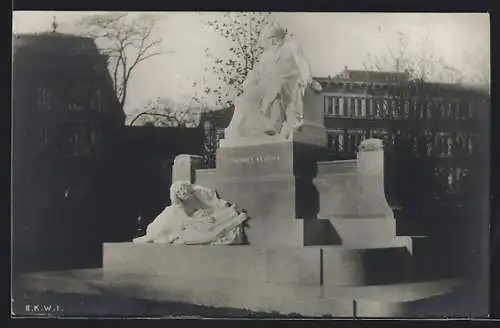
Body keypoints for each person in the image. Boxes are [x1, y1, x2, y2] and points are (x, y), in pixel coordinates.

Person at [225, 22, 321, 140]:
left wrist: (308, 78)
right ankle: (251, 129)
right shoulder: (266, 55)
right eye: (268, 39)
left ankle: (275, 124)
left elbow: (301, 62)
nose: (271, 42)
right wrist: (249, 82)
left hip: (289, 80)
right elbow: (257, 72)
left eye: (272, 38)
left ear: (278, 36)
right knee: (247, 97)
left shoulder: (291, 46)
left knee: (277, 85)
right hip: (268, 83)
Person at [133, 181, 248, 245]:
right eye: (184, 198)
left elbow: (214, 204)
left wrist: (204, 215)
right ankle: (158, 233)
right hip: (179, 217)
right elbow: (181, 212)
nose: (188, 198)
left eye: (188, 196)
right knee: (167, 225)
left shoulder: (201, 192)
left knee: (206, 226)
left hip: (197, 216)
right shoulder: (176, 199)